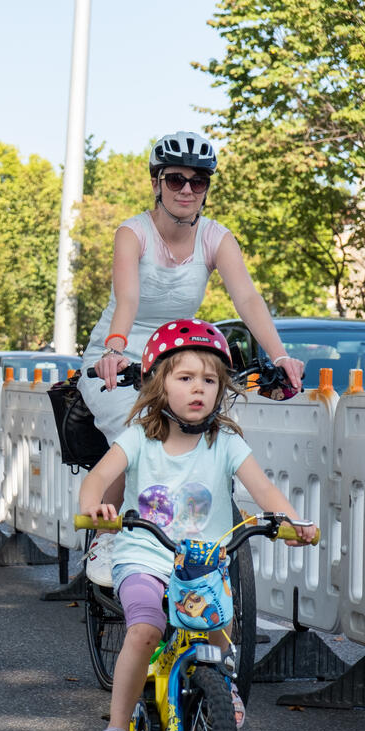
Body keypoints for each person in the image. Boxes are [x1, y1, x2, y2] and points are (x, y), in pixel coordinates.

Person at [79, 319, 316, 731]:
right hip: (145, 557)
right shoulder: (139, 439)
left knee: (215, 622)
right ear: (158, 384)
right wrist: (96, 509)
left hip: (202, 562)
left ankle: (218, 680)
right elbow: (97, 479)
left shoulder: (225, 442)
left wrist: (290, 521)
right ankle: (115, 727)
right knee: (145, 630)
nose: (198, 389)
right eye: (185, 378)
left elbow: (263, 490)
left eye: (209, 380)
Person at [80, 131, 303, 512]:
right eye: (175, 179)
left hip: (175, 360)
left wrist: (280, 356)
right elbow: (128, 299)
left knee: (209, 434)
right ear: (156, 183)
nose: (186, 189)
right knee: (133, 431)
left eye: (197, 181)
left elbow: (247, 298)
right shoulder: (132, 234)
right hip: (120, 357)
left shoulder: (216, 237)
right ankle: (107, 536)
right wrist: (113, 349)